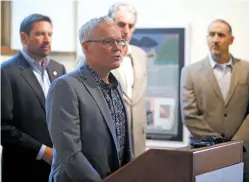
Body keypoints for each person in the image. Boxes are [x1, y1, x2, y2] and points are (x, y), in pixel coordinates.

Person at [46, 16, 133, 182]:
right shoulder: (65, 87)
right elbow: (70, 153)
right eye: (108, 42)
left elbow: (122, 146)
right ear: (86, 47)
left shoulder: (116, 86)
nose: (117, 48)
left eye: (119, 41)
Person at [180, 19, 249, 181]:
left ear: (231, 40)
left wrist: (236, 144)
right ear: (207, 38)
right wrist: (219, 145)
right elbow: (189, 115)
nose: (215, 39)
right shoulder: (190, 72)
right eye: (212, 34)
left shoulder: (247, 70)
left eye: (221, 35)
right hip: (202, 153)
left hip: (243, 152)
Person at [1, 14, 66, 181]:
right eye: (40, 34)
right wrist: (42, 151)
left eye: (50, 34)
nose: (47, 39)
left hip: (58, 168)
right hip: (22, 168)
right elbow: (3, 127)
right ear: (24, 37)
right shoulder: (6, 72)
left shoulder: (59, 70)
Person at [108, 2, 148, 157]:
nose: (126, 31)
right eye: (121, 24)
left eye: (131, 26)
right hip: (112, 141)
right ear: (110, 24)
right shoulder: (96, 56)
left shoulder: (141, 55)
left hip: (138, 139)